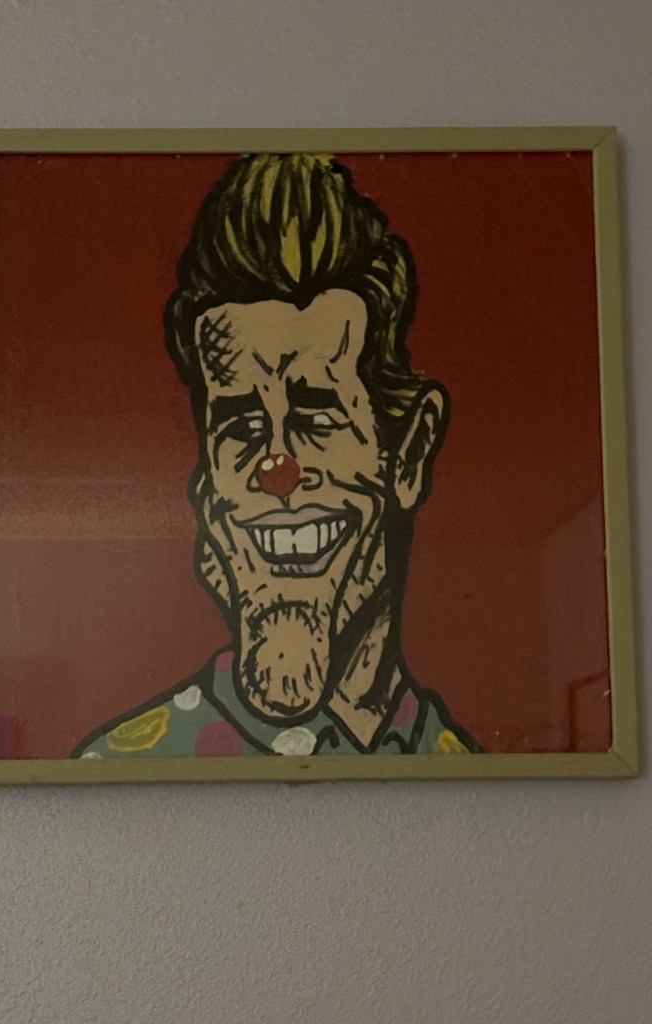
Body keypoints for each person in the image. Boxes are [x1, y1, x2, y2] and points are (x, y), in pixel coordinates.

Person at [74, 153, 480, 759]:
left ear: (409, 455)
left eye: (317, 416)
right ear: (208, 489)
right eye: (241, 424)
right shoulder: (118, 769)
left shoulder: (462, 770)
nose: (277, 470)